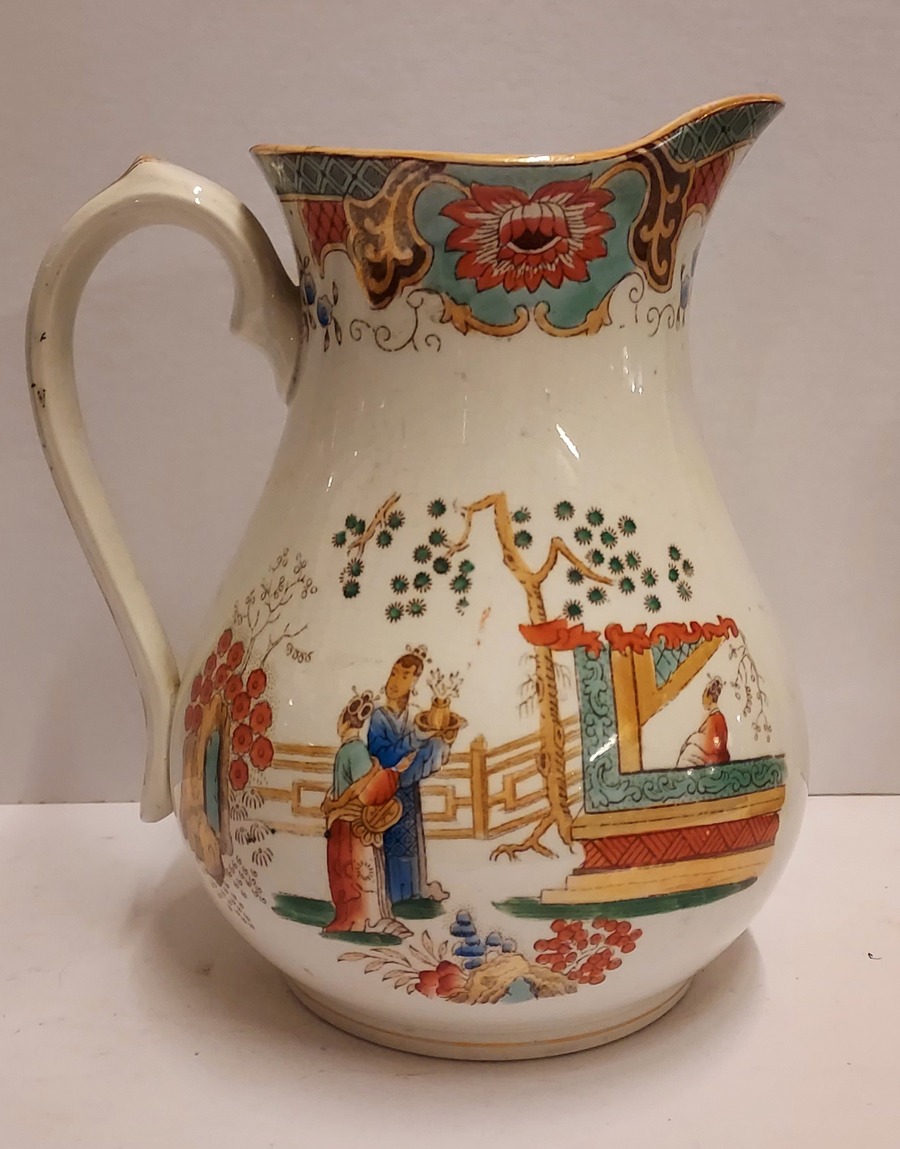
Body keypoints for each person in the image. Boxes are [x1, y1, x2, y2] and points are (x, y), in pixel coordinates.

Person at [321, 692, 414, 938]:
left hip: (346, 822)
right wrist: (393, 771)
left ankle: (357, 917)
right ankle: (364, 919)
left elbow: (356, 789)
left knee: (352, 870)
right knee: (359, 870)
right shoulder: (356, 751)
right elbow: (365, 791)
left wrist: (334, 803)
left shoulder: (348, 750)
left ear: (343, 721)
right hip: (352, 822)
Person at [367, 651, 455, 905]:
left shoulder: (413, 719)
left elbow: (424, 757)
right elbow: (382, 756)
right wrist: (415, 738)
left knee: (411, 843)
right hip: (385, 792)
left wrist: (442, 740)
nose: (395, 681)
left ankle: (414, 891)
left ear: (414, 684)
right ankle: (392, 896)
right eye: (394, 673)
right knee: (390, 844)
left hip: (408, 791)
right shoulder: (379, 718)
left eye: (404, 676)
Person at [676, 677, 730, 768]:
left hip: (713, 758)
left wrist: (693, 739)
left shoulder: (714, 719)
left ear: (709, 697)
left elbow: (711, 745)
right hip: (716, 756)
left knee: (689, 752)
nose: (703, 700)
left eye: (704, 696)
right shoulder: (716, 717)